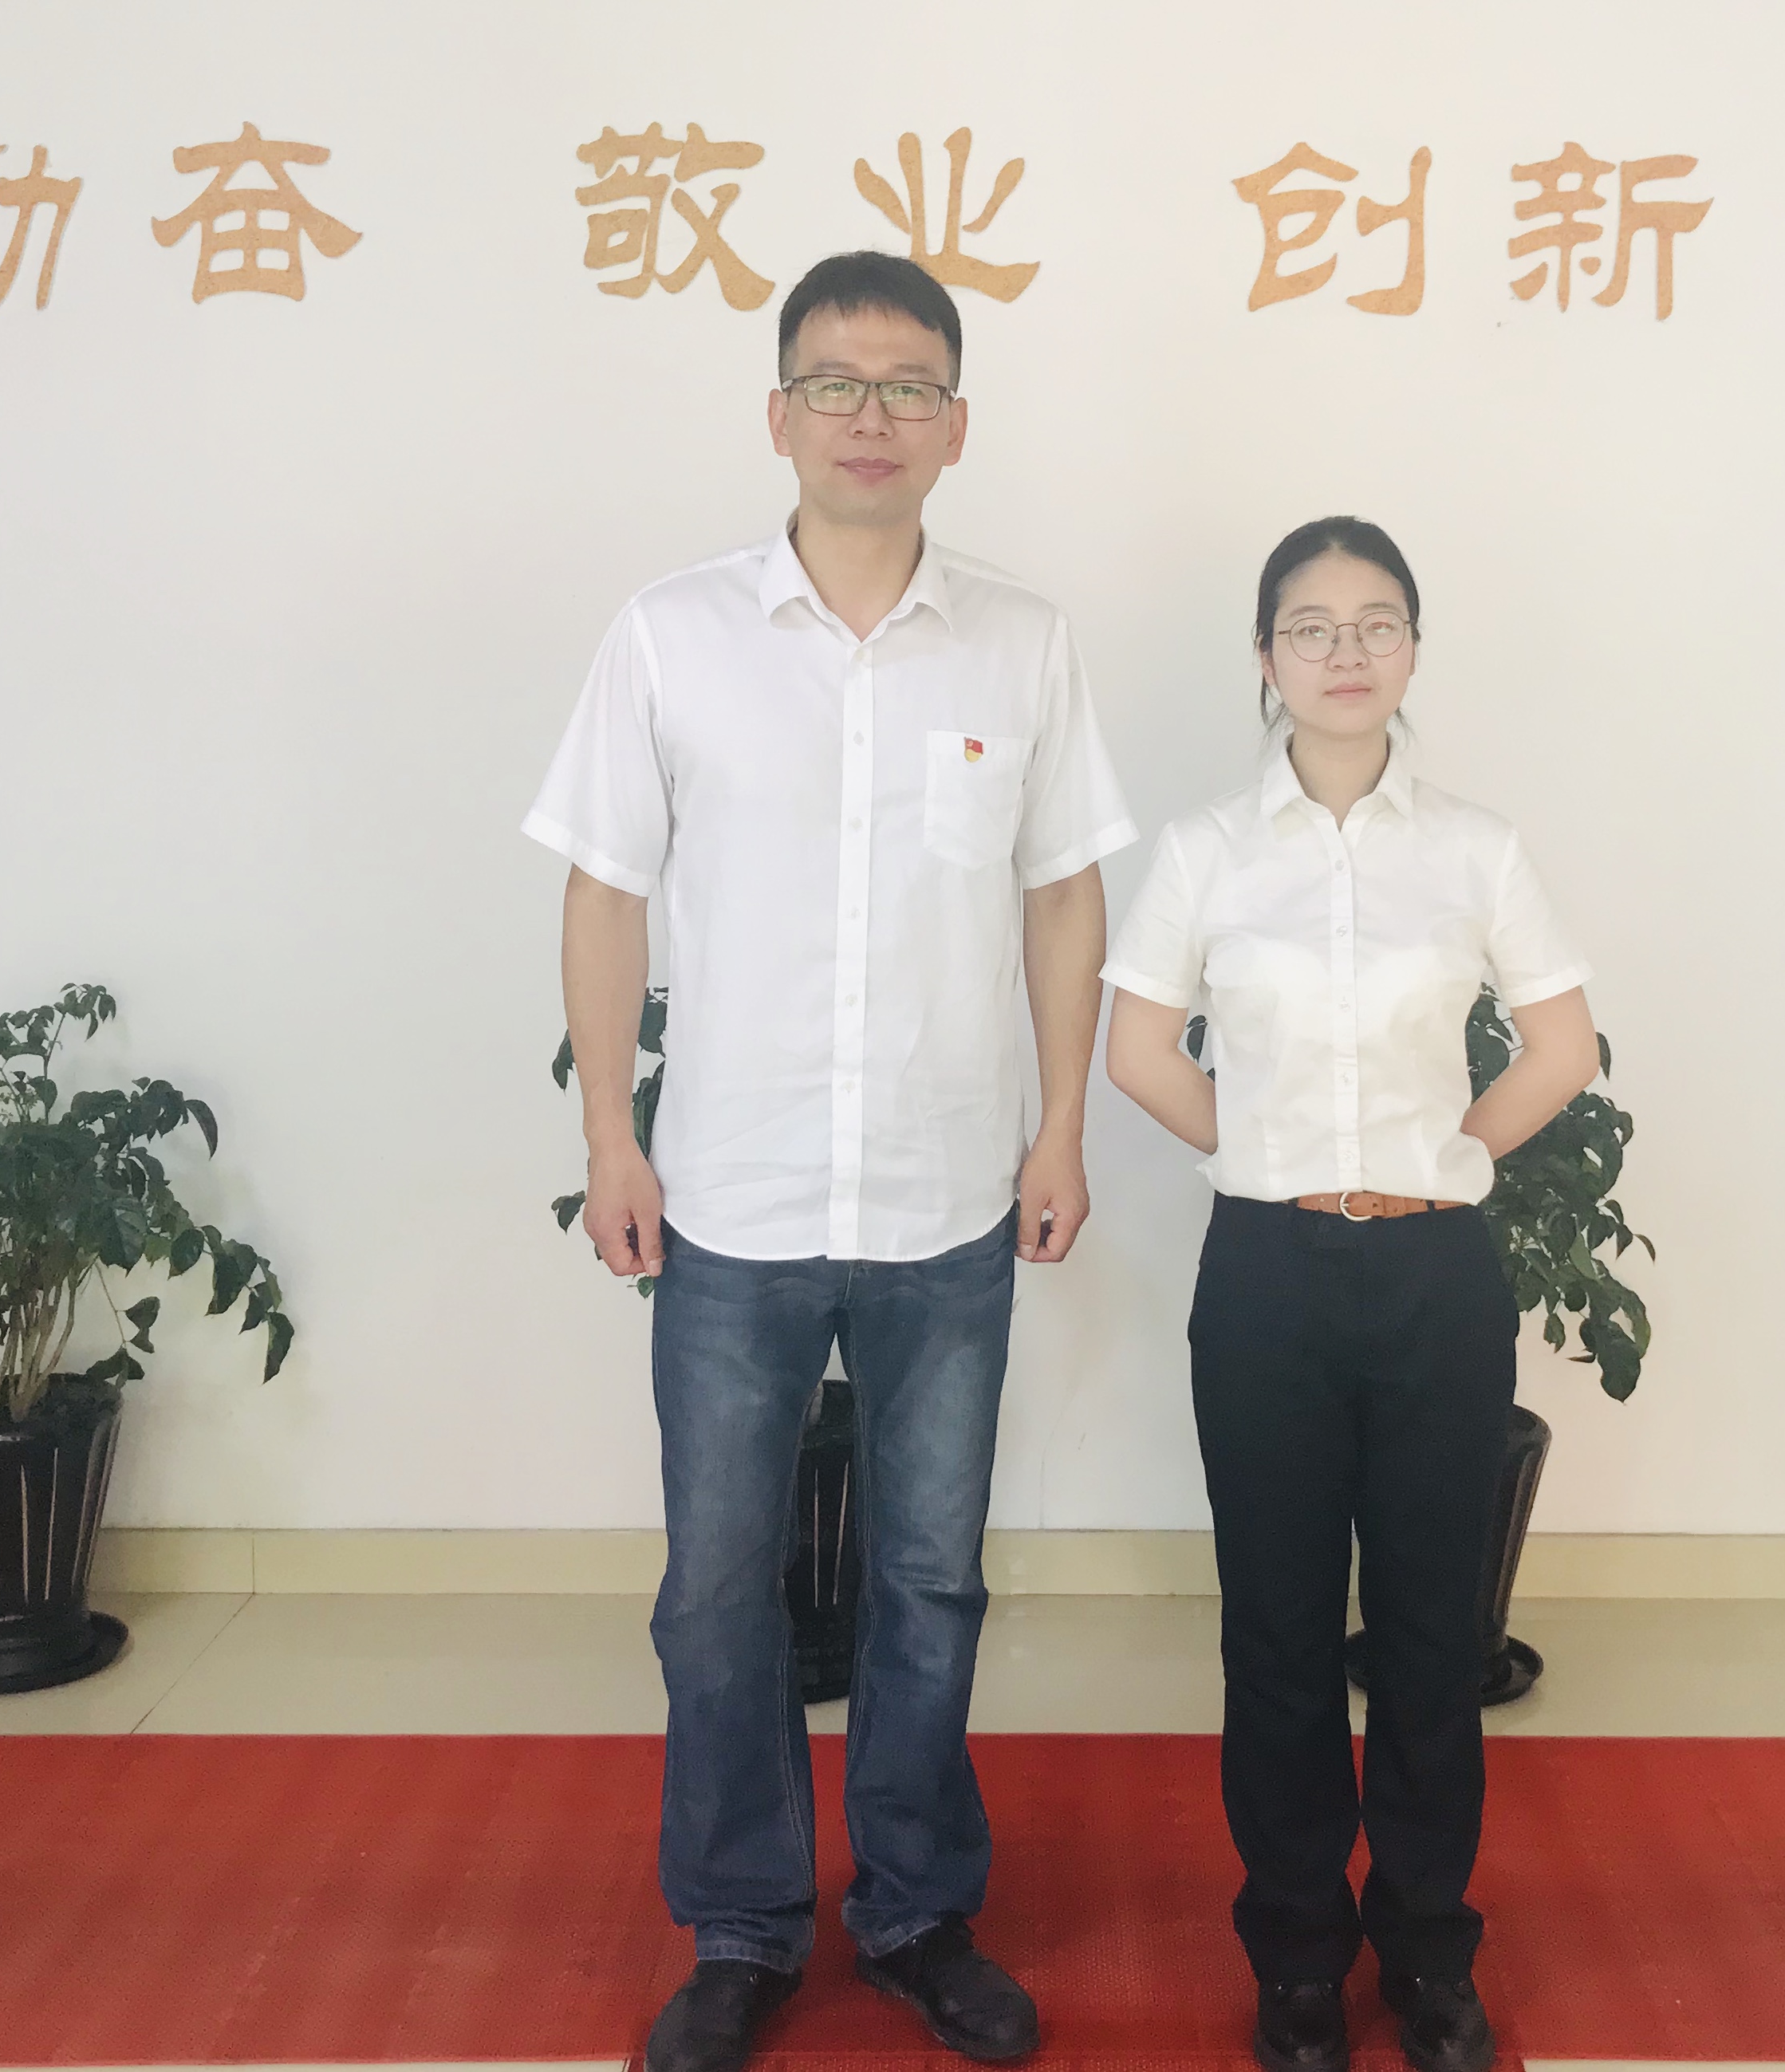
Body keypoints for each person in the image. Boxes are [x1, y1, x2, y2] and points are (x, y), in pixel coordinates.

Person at [522, 250, 1137, 2072]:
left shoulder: (1022, 641)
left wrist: (1060, 1124)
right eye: (839, 384)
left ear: (958, 423)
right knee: (716, 1591)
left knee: (930, 1581)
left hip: (948, 1199)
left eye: (909, 386)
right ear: (778, 413)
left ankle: (919, 1912)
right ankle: (740, 1926)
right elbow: (605, 892)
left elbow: (1063, 894)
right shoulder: (672, 635)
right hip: (734, 1195)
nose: (875, 416)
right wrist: (611, 1136)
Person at [1100, 518, 1598, 2072]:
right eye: (1310, 627)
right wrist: (1260, 1155)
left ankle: (1431, 1949)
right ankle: (1300, 1956)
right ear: (1264, 658)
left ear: (1413, 650)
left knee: (1434, 1637)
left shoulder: (1476, 848)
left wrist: (1454, 1157)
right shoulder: (1206, 850)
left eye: (1376, 623)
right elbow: (1137, 1051)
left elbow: (1562, 1044)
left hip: (1437, 1279)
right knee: (1278, 1634)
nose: (1344, 652)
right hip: (1268, 1277)